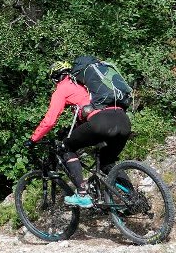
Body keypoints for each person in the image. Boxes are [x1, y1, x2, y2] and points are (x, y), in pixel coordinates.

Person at [27, 60, 132, 208]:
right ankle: (133, 198)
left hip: (101, 122)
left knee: (66, 148)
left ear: (55, 78)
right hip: (123, 120)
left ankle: (82, 194)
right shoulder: (87, 85)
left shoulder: (62, 89)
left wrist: (34, 139)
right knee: (107, 162)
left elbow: (50, 120)